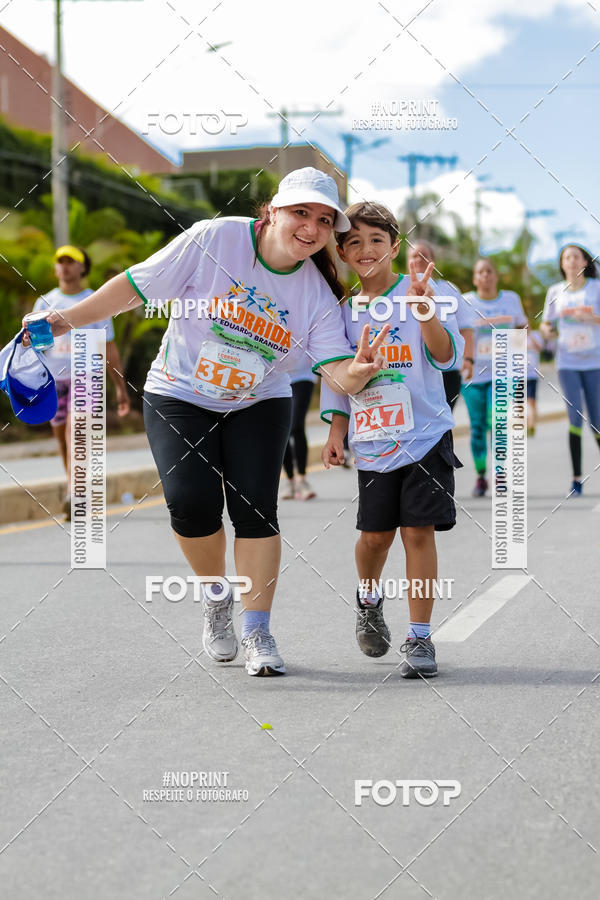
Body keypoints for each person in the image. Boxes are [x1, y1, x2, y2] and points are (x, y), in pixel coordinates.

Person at [26, 168, 390, 678]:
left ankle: (258, 629)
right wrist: (64, 320)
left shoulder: (316, 295)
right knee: (190, 503)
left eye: (325, 220)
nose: (311, 227)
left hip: (259, 402)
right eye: (300, 212)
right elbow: (135, 286)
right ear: (273, 211)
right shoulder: (216, 238)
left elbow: (337, 373)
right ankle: (217, 597)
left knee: (255, 511)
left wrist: (360, 370)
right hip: (179, 393)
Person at [321, 202, 464, 679]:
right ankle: (368, 599)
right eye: (355, 242)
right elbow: (337, 376)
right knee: (374, 537)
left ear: (394, 247)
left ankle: (420, 638)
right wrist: (337, 428)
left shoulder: (425, 293)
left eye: (377, 241)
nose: (366, 250)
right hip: (374, 441)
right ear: (341, 251)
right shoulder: (341, 311)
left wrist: (424, 313)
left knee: (417, 532)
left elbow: (446, 360)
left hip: (425, 435)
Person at [32, 246, 130, 519]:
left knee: (76, 430)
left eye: (70, 261)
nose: (64, 266)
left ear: (81, 267)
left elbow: (108, 347)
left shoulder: (95, 300)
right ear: (55, 268)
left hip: (87, 374)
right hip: (53, 378)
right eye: (60, 261)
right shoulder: (44, 303)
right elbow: (35, 347)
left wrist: (120, 388)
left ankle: (75, 494)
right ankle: (73, 490)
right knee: (62, 437)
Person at [461, 259, 527, 496]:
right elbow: (459, 334)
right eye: (480, 272)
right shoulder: (466, 302)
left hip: (502, 373)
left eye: (489, 271)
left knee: (498, 424)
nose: (485, 275)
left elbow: (522, 327)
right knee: (477, 428)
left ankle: (500, 475)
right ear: (475, 278)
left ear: (496, 275)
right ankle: (481, 476)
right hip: (473, 377)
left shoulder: (510, 299)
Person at [540, 244, 600, 495]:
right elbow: (546, 324)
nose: (572, 261)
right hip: (567, 363)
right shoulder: (555, 291)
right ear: (562, 264)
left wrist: (592, 318)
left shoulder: (596, 288)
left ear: (585, 262)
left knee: (596, 420)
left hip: (595, 362)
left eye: (577, 257)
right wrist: (546, 332)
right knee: (575, 417)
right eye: (567, 257)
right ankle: (576, 478)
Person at [406, 240, 474, 409]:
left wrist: (469, 359)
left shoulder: (449, 289)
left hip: (448, 371)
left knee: (443, 421)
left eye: (424, 255)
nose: (419, 259)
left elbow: (465, 327)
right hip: (415, 372)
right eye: (415, 255)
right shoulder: (399, 290)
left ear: (432, 260)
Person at [280, 354, 317, 500]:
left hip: (304, 377)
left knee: (296, 425)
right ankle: (290, 481)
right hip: (280, 379)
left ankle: (301, 479)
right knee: (283, 429)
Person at [526, 327, 545, 437]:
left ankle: (532, 426)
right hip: (518, 375)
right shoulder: (515, 335)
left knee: (532, 402)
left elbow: (540, 347)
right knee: (519, 403)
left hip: (532, 374)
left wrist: (530, 336)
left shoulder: (535, 334)